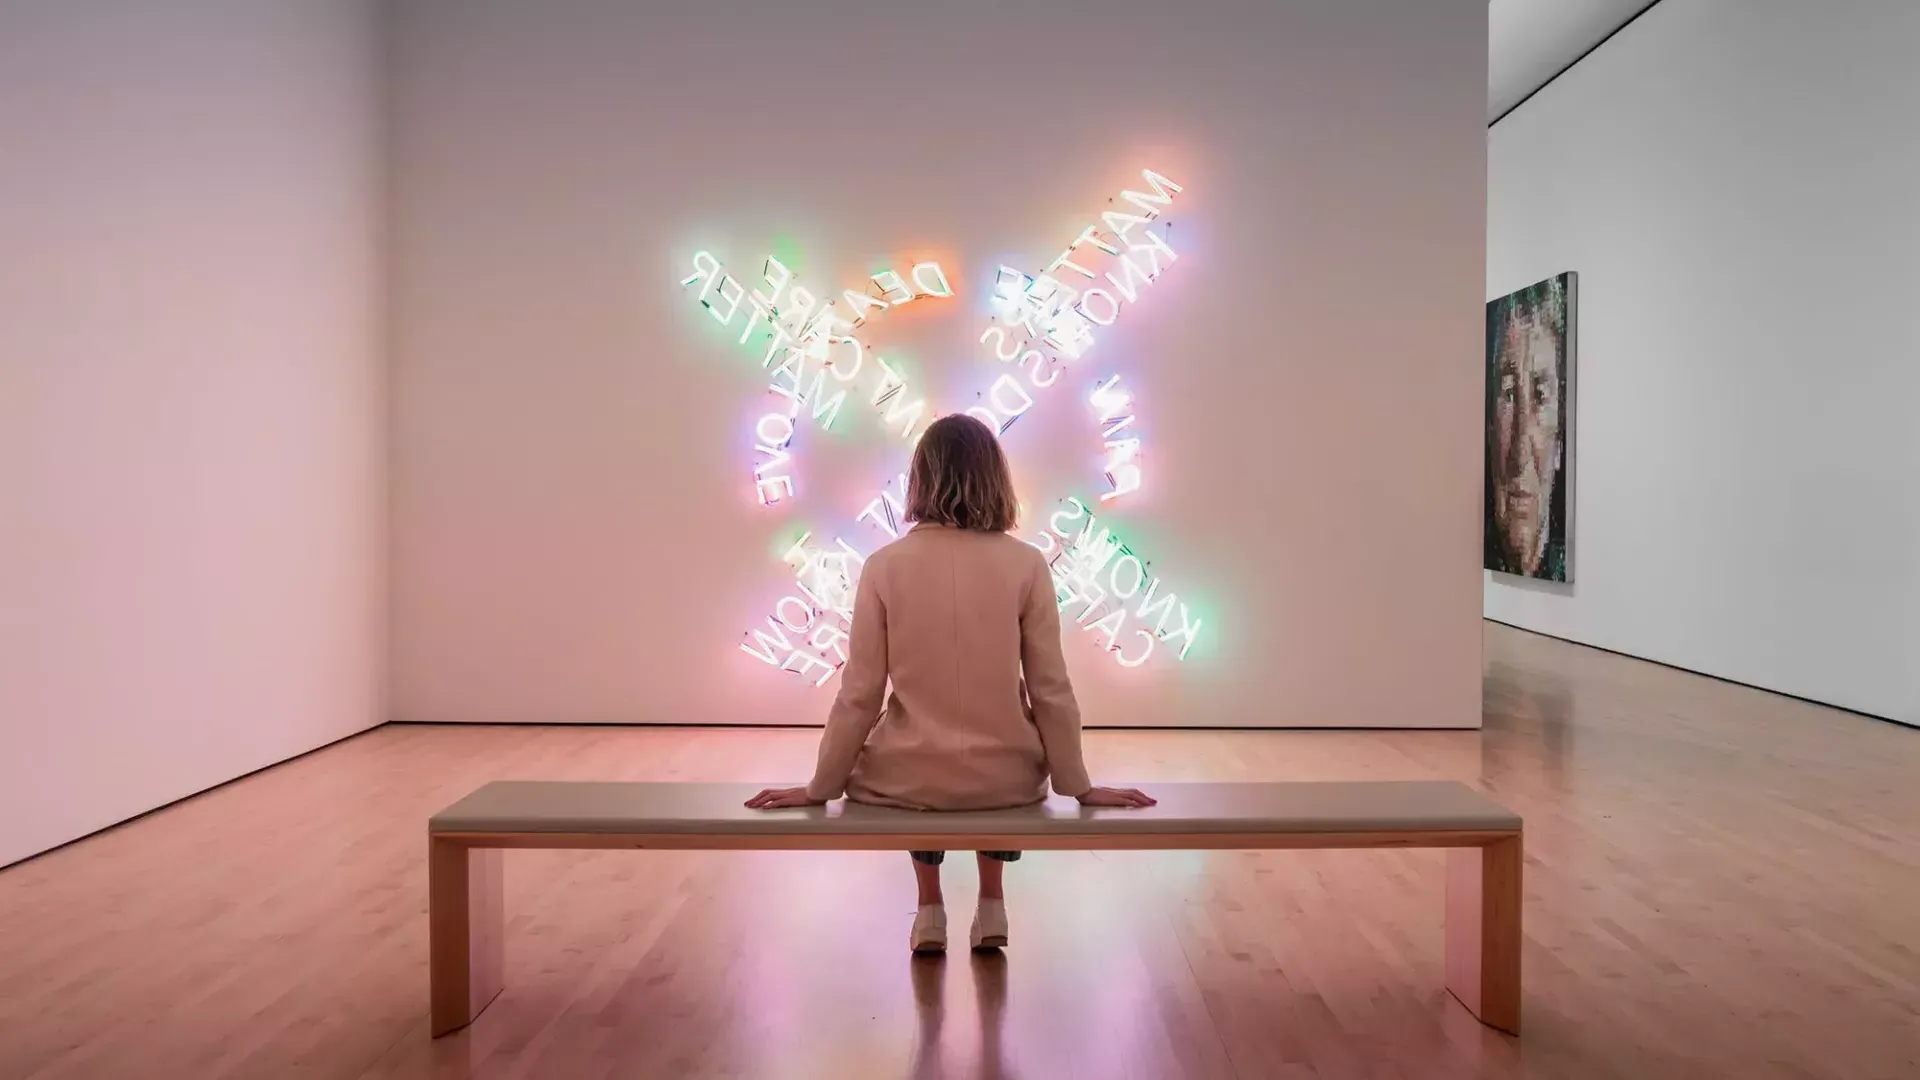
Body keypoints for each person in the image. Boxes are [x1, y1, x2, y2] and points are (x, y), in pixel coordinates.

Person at [746, 414, 1155, 954]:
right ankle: (991, 906)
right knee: (998, 758)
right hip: (1005, 779)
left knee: (909, 761)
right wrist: (1078, 786)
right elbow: (1050, 688)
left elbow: (860, 694)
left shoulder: (884, 566)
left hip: (909, 780)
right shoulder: (1027, 565)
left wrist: (820, 788)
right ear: (995, 478)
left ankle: (931, 911)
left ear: (921, 478)